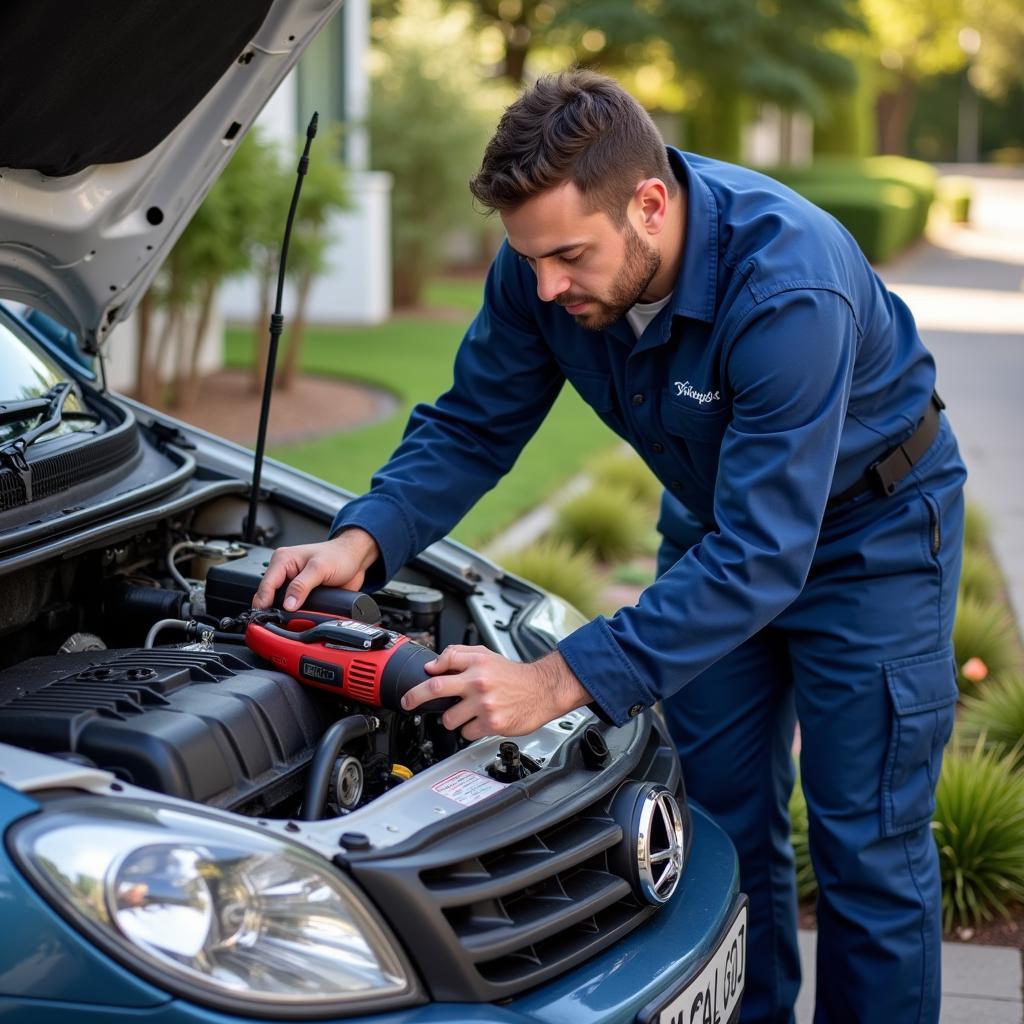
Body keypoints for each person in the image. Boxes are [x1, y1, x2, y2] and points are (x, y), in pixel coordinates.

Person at [253, 70, 965, 1023]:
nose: (546, 286)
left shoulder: (787, 283)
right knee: (719, 826)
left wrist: (556, 681)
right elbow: (473, 424)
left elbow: (767, 552)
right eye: (531, 259)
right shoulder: (540, 265)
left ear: (651, 203)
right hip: (722, 533)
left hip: (874, 540)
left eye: (569, 257)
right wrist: (364, 538)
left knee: (867, 850)